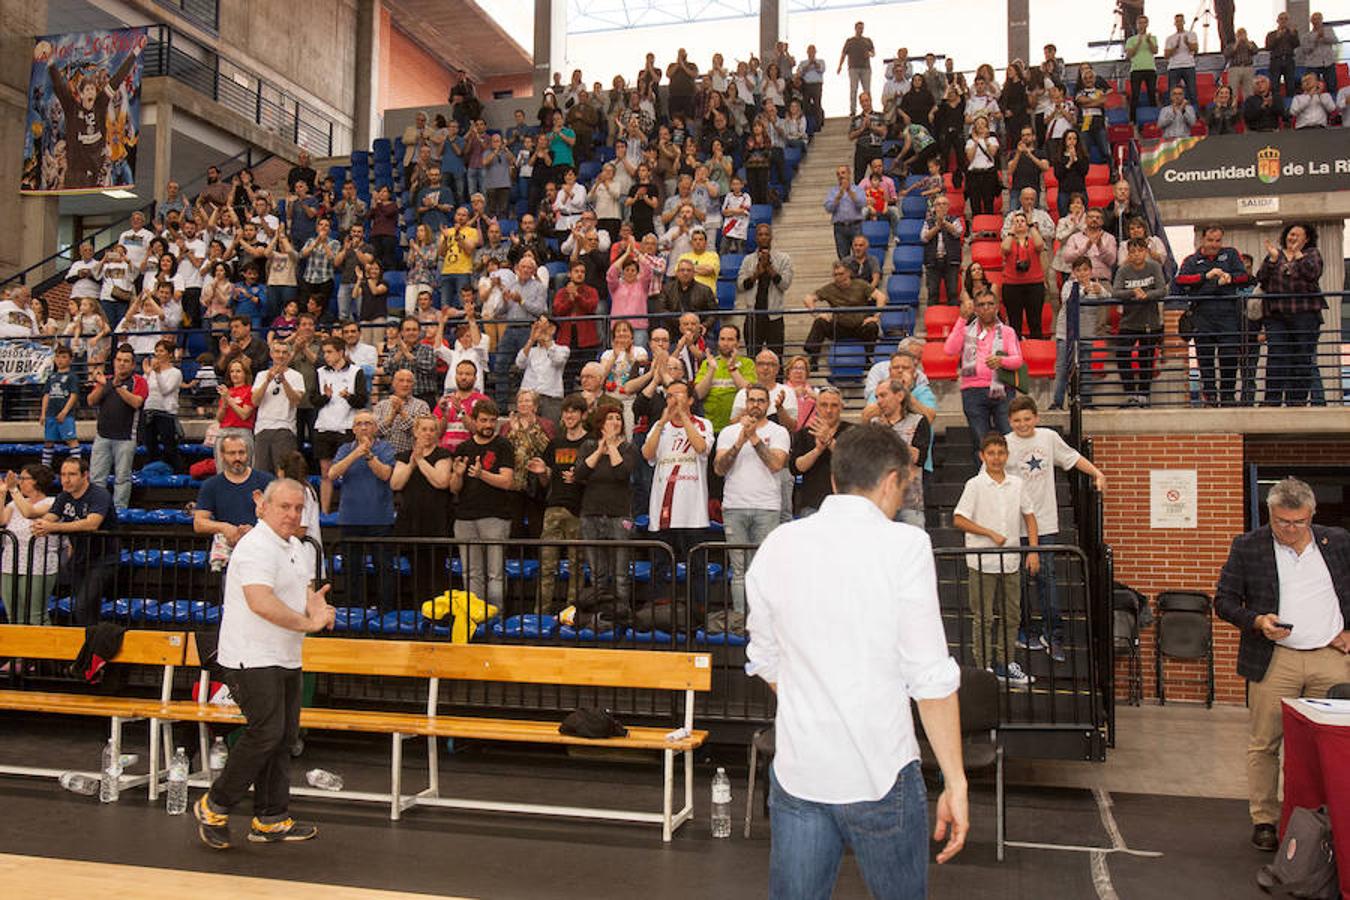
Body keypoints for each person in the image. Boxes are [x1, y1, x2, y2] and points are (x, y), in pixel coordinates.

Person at [746, 424, 966, 897]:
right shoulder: (905, 546)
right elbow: (930, 678)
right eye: (904, 486)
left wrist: (816, 702)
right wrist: (956, 780)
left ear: (834, 480)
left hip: (801, 771)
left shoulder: (777, 545)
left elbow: (764, 658)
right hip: (881, 774)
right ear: (891, 480)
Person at [193, 478, 334, 850]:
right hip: (250, 656)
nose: (291, 515)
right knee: (265, 733)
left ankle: (271, 818)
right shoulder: (256, 547)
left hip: (284, 655)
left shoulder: (297, 548)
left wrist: (318, 607)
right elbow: (261, 602)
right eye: (284, 507)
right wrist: (308, 623)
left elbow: (304, 594)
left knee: (284, 738)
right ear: (263, 506)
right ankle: (214, 805)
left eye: (297, 508)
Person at [1212, 477, 1350, 853]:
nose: (1289, 530)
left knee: (1327, 746)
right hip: (1274, 661)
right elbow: (1224, 601)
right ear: (1270, 514)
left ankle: (1319, 817)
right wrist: (1257, 622)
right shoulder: (1248, 546)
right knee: (1265, 744)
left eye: (1298, 523)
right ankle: (1265, 820)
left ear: (1312, 515)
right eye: (1281, 523)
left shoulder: (1338, 542)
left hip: (1331, 659)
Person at [1005, 396, 1105, 662]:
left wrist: (1097, 473)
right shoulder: (1004, 443)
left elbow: (1072, 458)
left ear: (1036, 418)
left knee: (1046, 580)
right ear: (1009, 422)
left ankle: (1054, 634)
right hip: (1014, 525)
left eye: (1027, 419)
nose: (1023, 424)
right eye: (1017, 420)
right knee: (1019, 582)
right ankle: (1024, 630)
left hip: (1045, 522)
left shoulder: (1048, 438)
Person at [954, 432, 1038, 686]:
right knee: (983, 616)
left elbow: (1030, 516)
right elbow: (959, 519)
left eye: (1001, 453)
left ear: (1007, 455)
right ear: (982, 456)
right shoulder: (975, 485)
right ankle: (983, 668)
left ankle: (1005, 661)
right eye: (991, 453)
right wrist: (988, 532)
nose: (996, 458)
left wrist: (1033, 550)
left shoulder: (1017, 483)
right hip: (982, 562)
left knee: (1012, 614)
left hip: (1010, 559)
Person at [714, 384, 790, 614]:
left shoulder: (779, 432)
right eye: (752, 400)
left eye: (760, 400)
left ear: (768, 405)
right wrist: (739, 441)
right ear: (745, 403)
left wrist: (754, 438)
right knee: (739, 571)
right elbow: (719, 468)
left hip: (766, 507)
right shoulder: (729, 432)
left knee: (763, 569)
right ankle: (739, 622)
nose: (755, 405)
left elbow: (776, 464)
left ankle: (761, 622)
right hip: (734, 507)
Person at [642, 379, 711, 606]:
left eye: (679, 394)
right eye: (670, 395)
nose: (674, 399)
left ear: (690, 399)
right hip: (663, 508)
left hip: (693, 511)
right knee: (661, 565)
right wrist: (662, 422)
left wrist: (684, 418)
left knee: (697, 566)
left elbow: (701, 447)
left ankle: (697, 612)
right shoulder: (658, 427)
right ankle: (660, 614)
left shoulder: (702, 424)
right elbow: (647, 454)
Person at [449, 399, 515, 608]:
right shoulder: (463, 447)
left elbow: (506, 481)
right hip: (465, 518)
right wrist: (458, 475)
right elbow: (454, 488)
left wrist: (481, 474)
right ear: (474, 421)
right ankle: (474, 618)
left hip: (495, 516)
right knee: (471, 573)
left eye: (492, 421)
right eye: (484, 420)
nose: (488, 425)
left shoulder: (503, 445)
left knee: (495, 573)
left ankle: (496, 621)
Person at [1174, 223, 1249, 407]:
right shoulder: (1191, 260)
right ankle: (1210, 397)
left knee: (1229, 355)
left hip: (1228, 313)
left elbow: (1244, 276)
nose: (1214, 244)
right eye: (1210, 240)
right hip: (1202, 313)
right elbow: (1180, 280)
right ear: (1202, 240)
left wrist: (1229, 278)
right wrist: (1205, 277)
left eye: (1218, 241)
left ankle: (1228, 395)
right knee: (1205, 358)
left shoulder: (1231, 254)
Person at [573, 405, 641, 604]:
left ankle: (621, 614)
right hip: (591, 513)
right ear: (601, 423)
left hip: (619, 515)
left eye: (618, 418)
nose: (615, 422)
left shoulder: (628, 448)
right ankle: (599, 616)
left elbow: (622, 474)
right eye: (610, 418)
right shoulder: (588, 446)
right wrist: (600, 448)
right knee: (597, 574)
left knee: (621, 575)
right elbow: (580, 474)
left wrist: (611, 446)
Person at [1256, 223, 1325, 408]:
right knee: (1276, 356)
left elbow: (1313, 274)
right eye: (1290, 234)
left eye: (1297, 235)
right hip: (1276, 315)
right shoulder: (1276, 254)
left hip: (1305, 314)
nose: (1292, 238)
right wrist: (1272, 260)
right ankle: (1272, 400)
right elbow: (1261, 278)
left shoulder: (1312, 254)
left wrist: (1299, 256)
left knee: (1302, 357)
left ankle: (1297, 401)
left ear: (1306, 239)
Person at [530, 395, 588, 612]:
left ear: (583, 415)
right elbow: (546, 480)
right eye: (566, 411)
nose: (569, 415)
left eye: (574, 411)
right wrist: (542, 473)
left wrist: (580, 478)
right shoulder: (555, 443)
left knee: (576, 567)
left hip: (579, 510)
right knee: (546, 566)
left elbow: (595, 478)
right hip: (553, 508)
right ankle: (540, 614)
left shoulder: (590, 442)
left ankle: (572, 615)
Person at [944, 295, 1022, 453]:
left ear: (997, 307)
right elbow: (949, 350)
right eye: (981, 304)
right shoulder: (965, 330)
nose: (986, 307)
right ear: (975, 308)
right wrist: (961, 319)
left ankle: (1010, 477)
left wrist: (1001, 361)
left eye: (990, 304)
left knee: (1009, 439)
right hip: (972, 391)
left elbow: (1018, 360)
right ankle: (984, 477)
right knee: (980, 441)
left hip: (1003, 390)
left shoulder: (1007, 331)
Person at [194, 434, 275, 568]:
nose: (237, 458)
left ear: (248, 453)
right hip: (228, 550)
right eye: (232, 453)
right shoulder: (211, 485)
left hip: (261, 549)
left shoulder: (267, 481)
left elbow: (279, 518)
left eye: (241, 453)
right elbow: (199, 523)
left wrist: (255, 530)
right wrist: (224, 527)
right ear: (222, 455)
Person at [88, 344, 147, 511]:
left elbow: (136, 402)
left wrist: (116, 386)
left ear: (133, 364)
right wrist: (105, 385)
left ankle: (119, 510)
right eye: (119, 360)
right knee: (97, 478)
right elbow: (91, 401)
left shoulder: (139, 381)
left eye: (126, 361)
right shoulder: (104, 380)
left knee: (122, 478)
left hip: (126, 437)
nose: (122, 364)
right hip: (102, 436)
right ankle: (97, 510)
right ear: (114, 362)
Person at [314, 337, 369, 513]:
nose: (326, 356)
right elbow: (313, 400)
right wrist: (326, 397)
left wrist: (348, 396)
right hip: (324, 426)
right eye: (325, 352)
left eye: (329, 352)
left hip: (346, 427)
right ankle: (324, 511)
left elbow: (361, 401)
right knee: (325, 472)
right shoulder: (320, 372)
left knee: (349, 471)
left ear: (340, 352)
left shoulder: (356, 371)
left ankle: (350, 510)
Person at [0, 465, 59, 624]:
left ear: (37, 481)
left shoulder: (53, 502)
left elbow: (29, 513)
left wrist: (13, 490)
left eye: (23, 479)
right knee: (13, 615)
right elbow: (1, 521)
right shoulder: (14, 504)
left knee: (36, 616)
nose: (19, 482)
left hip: (38, 564)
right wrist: (2, 492)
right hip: (10, 563)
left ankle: (45, 648)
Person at [801, 262, 885, 372]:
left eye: (841, 274)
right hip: (839, 327)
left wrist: (876, 316)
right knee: (820, 322)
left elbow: (881, 296)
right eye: (835, 274)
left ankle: (867, 358)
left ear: (848, 273)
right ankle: (813, 359)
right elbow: (808, 299)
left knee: (872, 326)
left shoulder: (860, 284)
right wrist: (817, 314)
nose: (838, 277)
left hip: (859, 326)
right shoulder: (829, 288)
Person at [868, 379, 930, 527]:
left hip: (910, 502)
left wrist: (889, 433)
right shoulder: (873, 424)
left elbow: (918, 458)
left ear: (900, 396)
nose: (879, 401)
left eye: (883, 395)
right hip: (879, 502)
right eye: (877, 397)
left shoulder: (918, 421)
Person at [789, 386, 851, 517]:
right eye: (824, 405)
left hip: (845, 505)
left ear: (841, 407)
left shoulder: (853, 432)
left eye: (834, 405)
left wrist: (829, 441)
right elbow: (796, 468)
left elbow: (854, 462)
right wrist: (817, 450)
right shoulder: (804, 434)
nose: (829, 410)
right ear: (816, 407)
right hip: (812, 504)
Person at [735, 224, 794, 358]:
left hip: (774, 316)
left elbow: (785, 284)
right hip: (753, 316)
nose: (763, 237)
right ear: (756, 237)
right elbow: (741, 285)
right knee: (752, 357)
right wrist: (756, 273)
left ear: (771, 237)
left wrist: (770, 268)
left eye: (766, 234)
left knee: (776, 358)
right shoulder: (748, 260)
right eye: (760, 234)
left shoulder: (784, 258)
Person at [251, 341, 306, 473]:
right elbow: (255, 401)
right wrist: (267, 381)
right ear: (271, 354)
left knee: (284, 472)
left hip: (284, 428)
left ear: (289, 355)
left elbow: (295, 401)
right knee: (261, 473)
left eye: (284, 352)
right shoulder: (261, 375)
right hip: (262, 428)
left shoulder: (296, 376)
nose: (280, 355)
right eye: (277, 352)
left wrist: (284, 380)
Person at [694, 325, 757, 433]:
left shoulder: (747, 363)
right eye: (722, 339)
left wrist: (733, 369)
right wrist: (711, 370)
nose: (725, 343)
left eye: (730, 339)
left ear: (738, 343)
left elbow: (749, 392)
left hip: (739, 427)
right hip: (711, 427)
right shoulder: (708, 363)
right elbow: (698, 394)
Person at [1000, 212, 1046, 339]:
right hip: (1012, 285)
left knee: (1035, 321)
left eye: (1022, 221)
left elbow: (1040, 245)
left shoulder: (1032, 240)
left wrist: (1031, 226)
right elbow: (1005, 249)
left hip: (1034, 284)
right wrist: (1011, 232)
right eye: (1017, 221)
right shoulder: (1009, 240)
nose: (1020, 223)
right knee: (1015, 323)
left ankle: (1036, 351)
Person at [40, 345, 82, 469]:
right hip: (51, 414)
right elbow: (46, 395)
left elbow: (73, 396)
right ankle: (45, 467)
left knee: (71, 439)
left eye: (64, 357)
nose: (60, 360)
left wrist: (64, 411)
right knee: (48, 441)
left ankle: (77, 466)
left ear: (70, 360)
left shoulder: (72, 377)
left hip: (66, 415)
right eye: (57, 356)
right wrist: (43, 413)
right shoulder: (51, 376)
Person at [922, 195, 964, 307]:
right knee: (932, 293)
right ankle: (932, 317)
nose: (941, 207)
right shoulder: (928, 222)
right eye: (938, 204)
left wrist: (944, 222)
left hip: (951, 261)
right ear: (934, 207)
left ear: (948, 207)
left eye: (944, 204)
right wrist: (937, 227)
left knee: (953, 293)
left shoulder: (954, 220)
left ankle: (954, 320)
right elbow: (924, 238)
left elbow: (958, 232)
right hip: (933, 261)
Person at [824, 165, 867, 262]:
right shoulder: (832, 191)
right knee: (843, 257)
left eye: (843, 173)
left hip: (855, 226)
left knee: (859, 255)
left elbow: (862, 203)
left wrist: (849, 191)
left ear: (849, 174)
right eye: (838, 174)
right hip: (840, 228)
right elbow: (828, 208)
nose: (841, 176)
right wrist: (839, 196)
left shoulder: (858, 189)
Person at [1124, 15, 1159, 121]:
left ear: (1147, 24)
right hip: (1136, 70)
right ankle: (1133, 120)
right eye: (1140, 23)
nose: (1142, 25)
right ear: (1137, 25)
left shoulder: (1152, 38)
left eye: (1144, 23)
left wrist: (1148, 41)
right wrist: (1138, 43)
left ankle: (1154, 118)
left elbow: (1155, 51)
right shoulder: (1131, 39)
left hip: (1150, 69)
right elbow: (1129, 54)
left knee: (1152, 93)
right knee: (1135, 95)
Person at [1163, 13, 1199, 111]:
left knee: (1192, 92)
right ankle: (1173, 113)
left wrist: (1187, 43)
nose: (1179, 23)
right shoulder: (1170, 38)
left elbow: (1195, 49)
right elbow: (1166, 55)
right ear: (1175, 23)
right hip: (1174, 67)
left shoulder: (1191, 34)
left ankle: (1195, 114)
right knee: (1173, 93)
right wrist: (1175, 47)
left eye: (1181, 21)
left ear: (1184, 22)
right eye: (1177, 21)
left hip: (1189, 65)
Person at [838, 21, 875, 116]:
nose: (861, 30)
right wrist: (840, 66)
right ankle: (853, 110)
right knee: (853, 89)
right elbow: (843, 54)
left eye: (862, 28)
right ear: (855, 28)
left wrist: (869, 54)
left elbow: (873, 53)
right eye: (859, 28)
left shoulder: (867, 40)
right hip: (853, 68)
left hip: (865, 68)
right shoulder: (850, 41)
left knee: (867, 90)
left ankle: (869, 109)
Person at [1265, 11, 1301, 99]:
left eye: (1286, 19)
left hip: (1289, 59)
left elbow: (1297, 44)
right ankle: (1276, 103)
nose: (1283, 21)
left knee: (1290, 84)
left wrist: (1293, 35)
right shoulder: (1271, 34)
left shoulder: (1292, 33)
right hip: (1276, 60)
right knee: (1275, 84)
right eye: (1281, 19)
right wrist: (1277, 37)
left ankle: (1290, 103)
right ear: (1277, 21)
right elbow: (1268, 47)